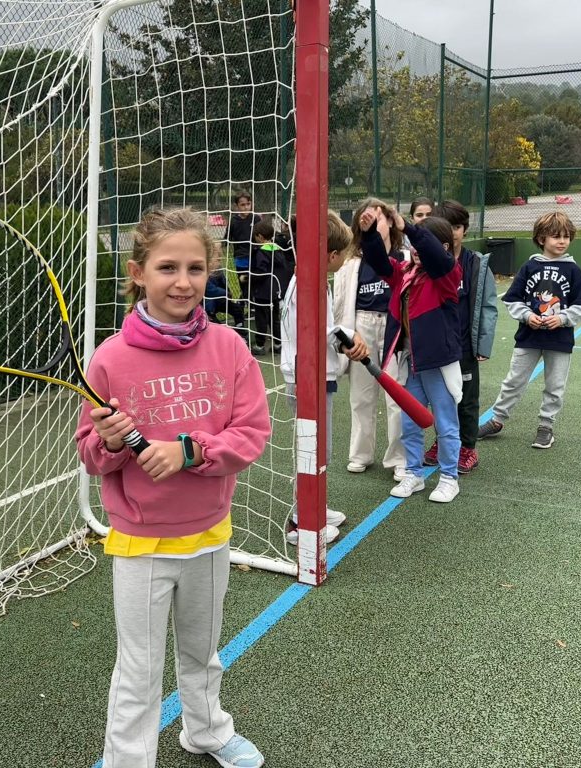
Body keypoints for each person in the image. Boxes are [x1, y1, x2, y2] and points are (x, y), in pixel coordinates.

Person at [76, 207, 270, 768]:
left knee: (201, 653)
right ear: (138, 273)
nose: (182, 282)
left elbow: (251, 433)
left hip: (209, 535)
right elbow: (91, 454)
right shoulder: (109, 359)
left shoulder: (230, 348)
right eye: (167, 268)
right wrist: (112, 442)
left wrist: (188, 451)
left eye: (195, 268)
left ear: (210, 270)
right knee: (139, 667)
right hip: (141, 544)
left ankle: (205, 731)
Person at [357, 205, 463, 503]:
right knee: (409, 422)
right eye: (412, 243)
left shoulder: (448, 275)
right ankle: (414, 473)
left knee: (445, 423)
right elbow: (378, 261)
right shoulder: (404, 274)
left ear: (443, 248)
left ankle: (449, 477)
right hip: (412, 363)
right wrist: (369, 233)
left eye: (422, 242)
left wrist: (410, 228)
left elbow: (434, 255)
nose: (415, 248)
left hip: (439, 364)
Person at [280, 209, 368, 543]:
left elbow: (324, 328)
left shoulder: (313, 280)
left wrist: (345, 336)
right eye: (343, 253)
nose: (345, 259)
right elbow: (315, 332)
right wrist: (348, 338)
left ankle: (314, 506)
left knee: (319, 449)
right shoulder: (307, 284)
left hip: (315, 376)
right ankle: (301, 522)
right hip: (307, 379)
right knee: (313, 450)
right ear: (331, 255)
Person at [478, 211, 581, 449]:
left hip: (560, 341)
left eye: (566, 237)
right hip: (528, 338)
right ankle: (497, 420)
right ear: (541, 239)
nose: (562, 241)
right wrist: (527, 315)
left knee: (555, 386)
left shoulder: (573, 270)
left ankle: (546, 426)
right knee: (513, 381)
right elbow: (512, 299)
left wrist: (562, 318)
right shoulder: (529, 267)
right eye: (556, 236)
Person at [332, 197, 406, 481]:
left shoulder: (404, 257)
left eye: (378, 217)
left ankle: (400, 458)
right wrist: (347, 336)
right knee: (361, 396)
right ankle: (361, 454)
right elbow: (340, 304)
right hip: (362, 325)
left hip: (393, 327)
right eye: (366, 218)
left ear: (390, 222)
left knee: (397, 396)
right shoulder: (351, 263)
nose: (373, 222)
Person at [422, 200, 498, 474]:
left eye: (456, 227)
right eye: (446, 227)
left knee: (466, 400)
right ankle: (443, 441)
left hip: (464, 346)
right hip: (437, 347)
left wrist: (483, 344)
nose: (452, 233)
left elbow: (488, 306)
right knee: (440, 399)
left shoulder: (475, 264)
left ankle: (467, 448)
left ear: (464, 229)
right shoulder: (426, 263)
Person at [250, 217, 284, 355]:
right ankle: (278, 344)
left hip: (262, 292)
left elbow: (261, 272)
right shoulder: (277, 249)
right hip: (275, 290)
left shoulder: (261, 251)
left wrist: (249, 277)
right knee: (274, 318)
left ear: (260, 236)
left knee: (261, 319)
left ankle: (260, 345)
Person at [224, 191, 261, 302]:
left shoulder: (256, 219)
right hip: (240, 257)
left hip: (255, 256)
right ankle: (245, 302)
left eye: (248, 204)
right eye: (243, 205)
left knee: (255, 282)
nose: (246, 207)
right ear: (237, 206)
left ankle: (253, 304)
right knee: (243, 282)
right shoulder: (234, 221)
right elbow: (227, 238)